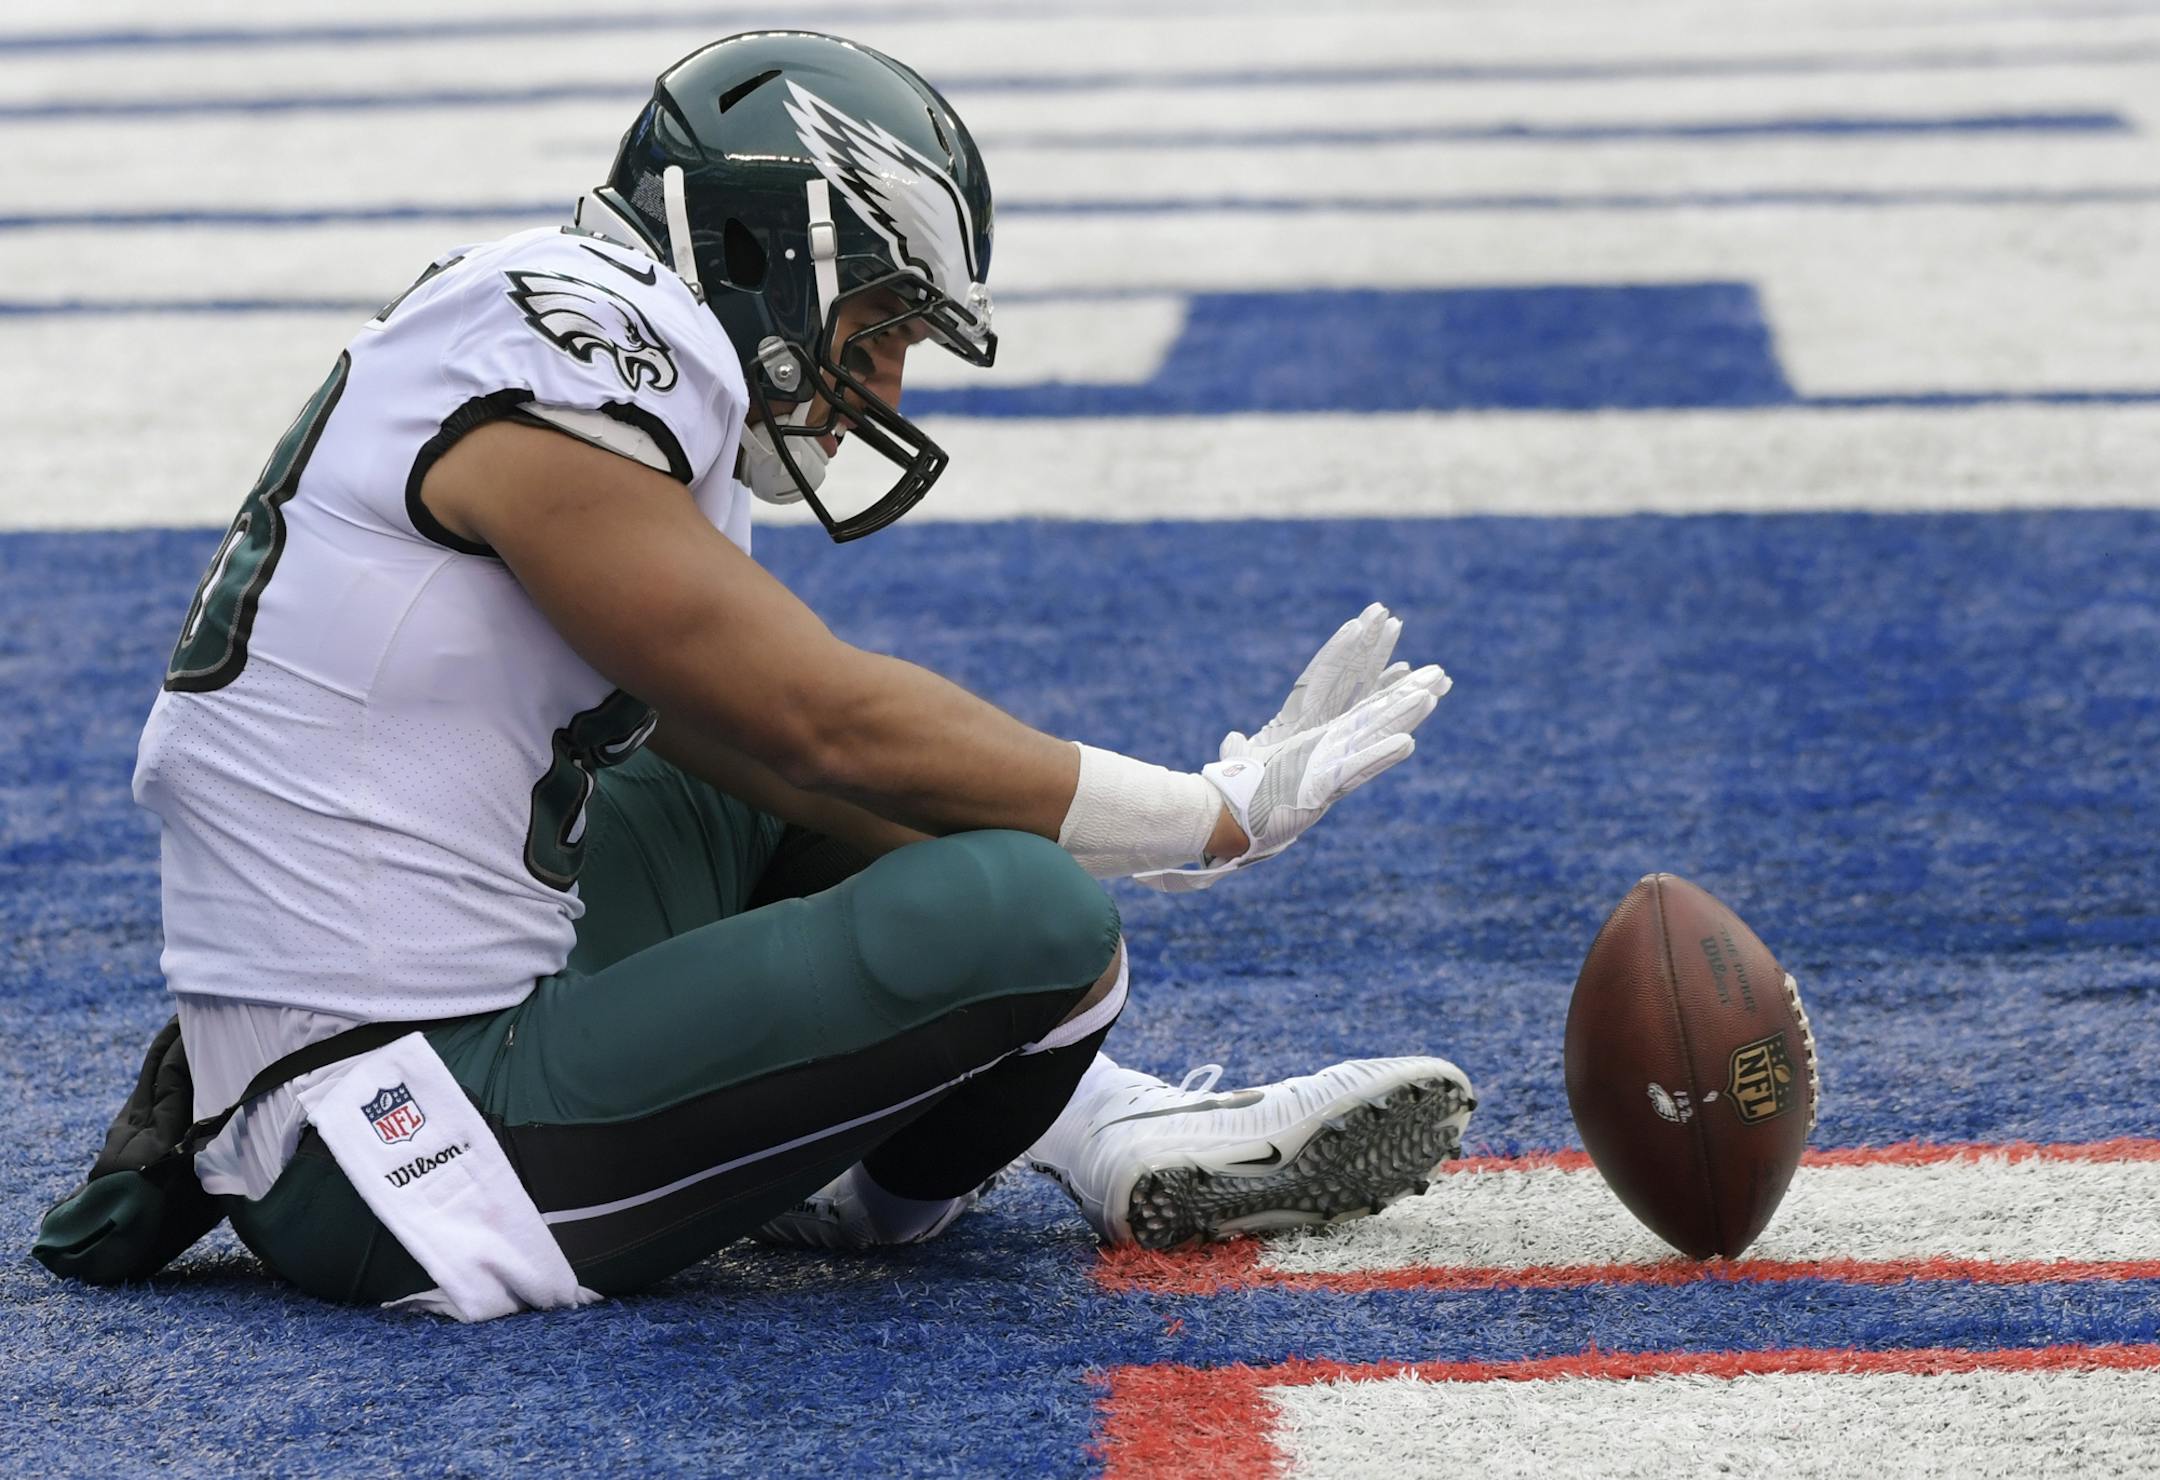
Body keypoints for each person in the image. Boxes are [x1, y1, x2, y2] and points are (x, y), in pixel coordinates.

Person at [105, 30, 1473, 1310]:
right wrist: (1204, 817)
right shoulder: (584, 355)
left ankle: (1105, 1118)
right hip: (402, 1141)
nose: (883, 385)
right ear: (765, 252)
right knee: (1035, 921)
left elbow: (760, 759)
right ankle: (895, 1178)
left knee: (778, 803)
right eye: (877, 325)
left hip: (349, 1052)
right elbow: (817, 720)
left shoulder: (561, 331)